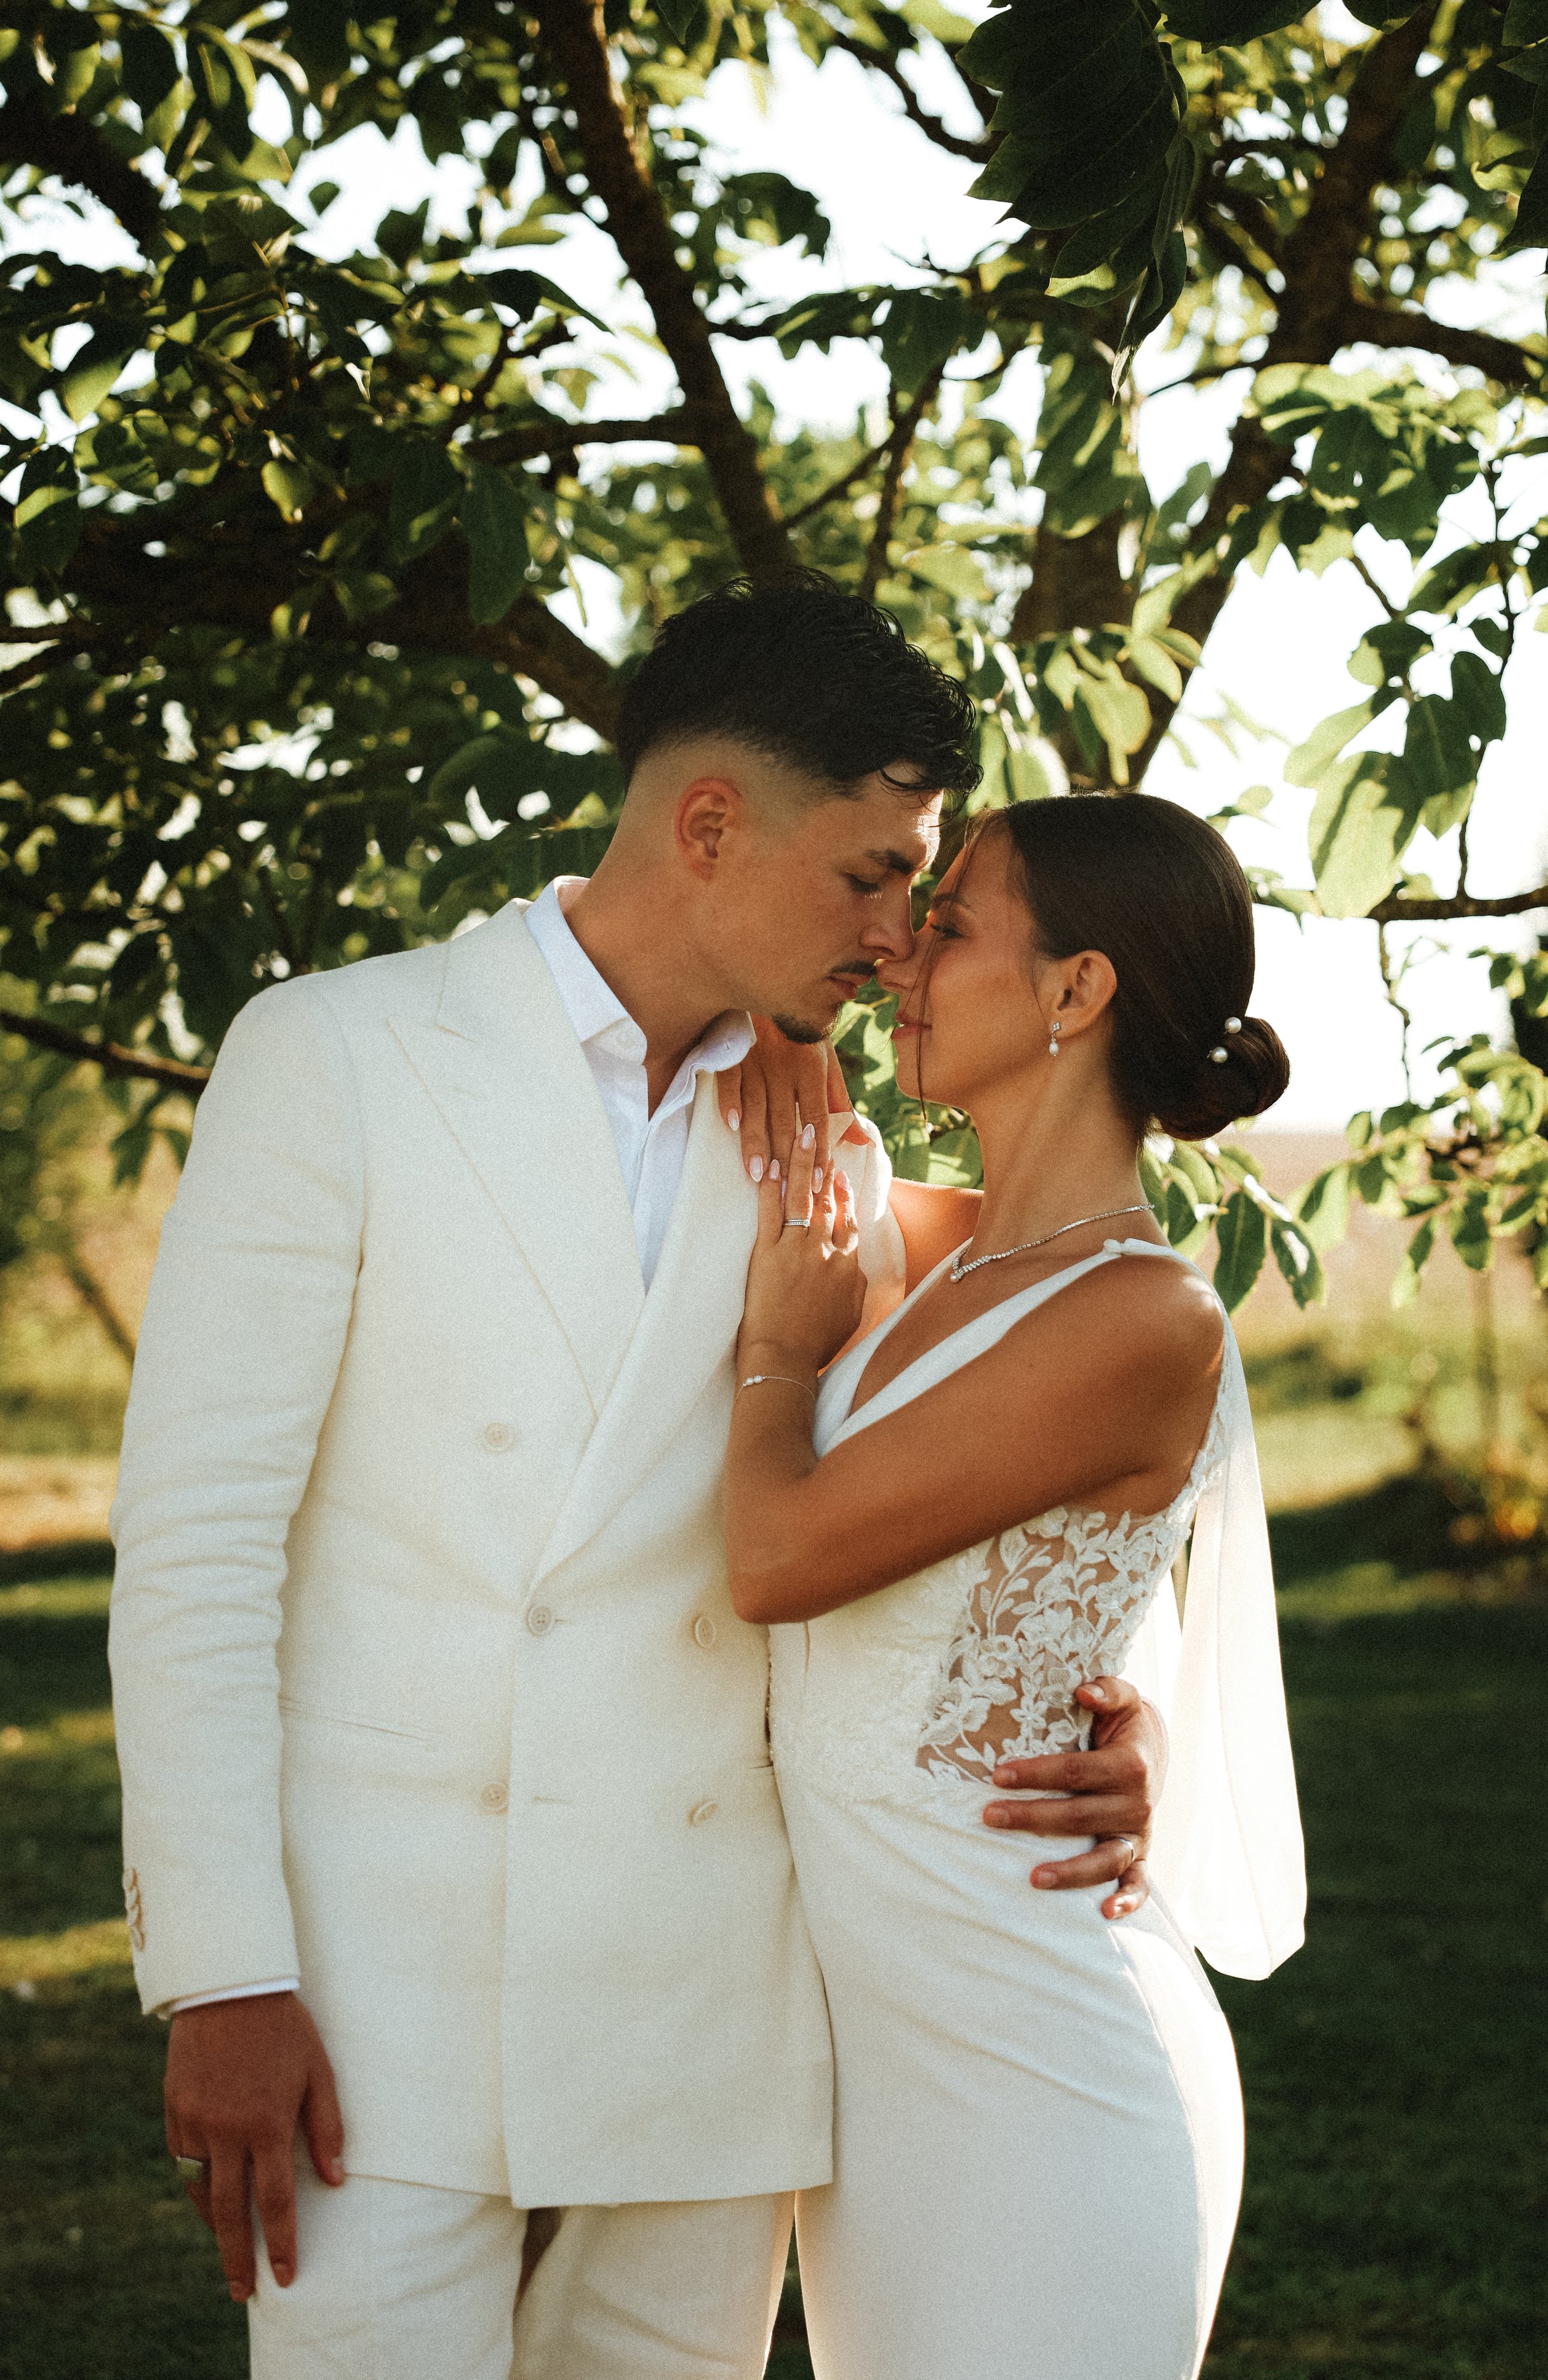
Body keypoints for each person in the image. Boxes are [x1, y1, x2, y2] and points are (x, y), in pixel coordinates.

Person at [108, 574, 1168, 2380]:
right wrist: (220, 1968)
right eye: (868, 873)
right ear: (705, 825)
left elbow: (1022, 1415)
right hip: (382, 1987)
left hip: (710, 1994)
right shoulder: (341, 1053)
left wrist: (1089, 1698)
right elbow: (196, 1547)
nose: (898, 932)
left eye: (915, 888)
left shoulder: (825, 1127)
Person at [724, 792, 1307, 2380]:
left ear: (1075, 991)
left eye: (954, 920)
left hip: (1047, 2067)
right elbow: (780, 1116)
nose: (904, 957)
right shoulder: (946, 1255)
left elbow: (774, 1559)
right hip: (877, 2092)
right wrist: (776, 1028)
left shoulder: (1146, 1322)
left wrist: (780, 1354)